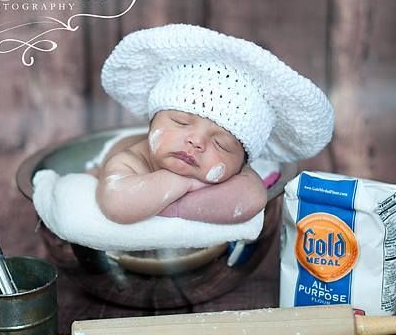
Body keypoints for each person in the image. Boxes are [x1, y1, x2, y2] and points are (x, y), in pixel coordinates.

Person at [92, 24, 334, 225]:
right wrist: (182, 182)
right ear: (151, 123)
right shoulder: (130, 158)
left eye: (222, 144)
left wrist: (176, 207)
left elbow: (252, 198)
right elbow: (117, 204)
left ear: (241, 164)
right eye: (181, 121)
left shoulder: (231, 174)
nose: (197, 142)